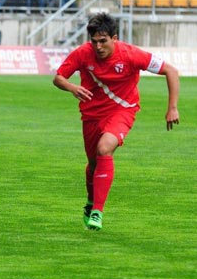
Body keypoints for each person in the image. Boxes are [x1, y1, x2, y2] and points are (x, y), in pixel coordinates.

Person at [53, 12, 180, 231]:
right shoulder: (83, 54)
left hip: (123, 110)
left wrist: (172, 107)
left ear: (114, 38)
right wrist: (72, 88)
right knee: (93, 164)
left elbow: (170, 70)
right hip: (91, 115)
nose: (98, 47)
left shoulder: (131, 55)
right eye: (94, 42)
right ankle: (91, 203)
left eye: (103, 41)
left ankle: (97, 212)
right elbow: (58, 78)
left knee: (105, 148)